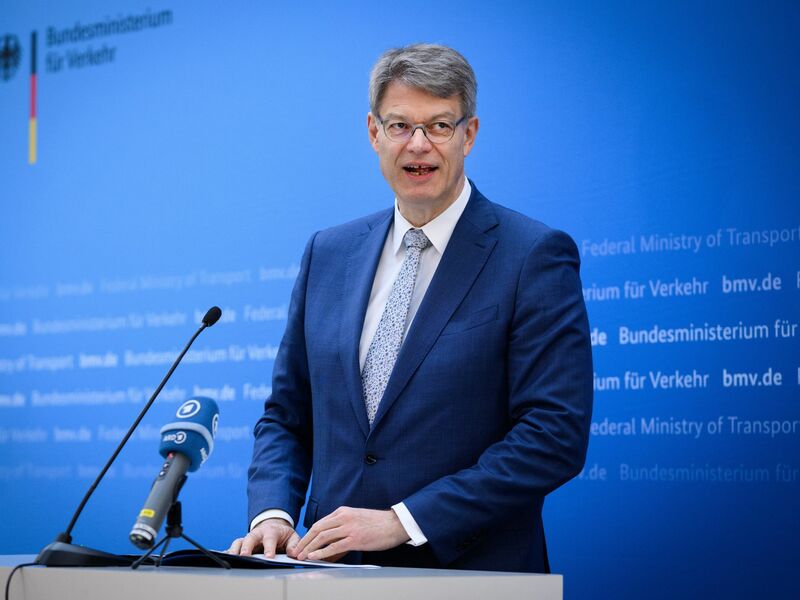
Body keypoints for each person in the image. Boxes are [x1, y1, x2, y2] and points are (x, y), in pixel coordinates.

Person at [227, 43, 593, 572]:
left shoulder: (531, 254)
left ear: (469, 134)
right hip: (330, 570)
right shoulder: (328, 253)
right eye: (400, 126)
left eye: (439, 126)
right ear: (373, 133)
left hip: (472, 574)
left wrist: (404, 520)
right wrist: (273, 513)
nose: (418, 145)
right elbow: (287, 415)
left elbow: (553, 434)